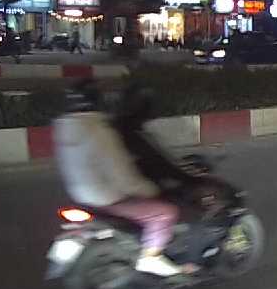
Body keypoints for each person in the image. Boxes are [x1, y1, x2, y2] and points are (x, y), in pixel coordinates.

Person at [53, 82, 191, 277]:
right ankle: (151, 257)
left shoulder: (64, 129)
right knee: (165, 212)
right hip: (107, 197)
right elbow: (122, 176)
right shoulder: (100, 131)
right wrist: (149, 190)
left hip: (80, 195)